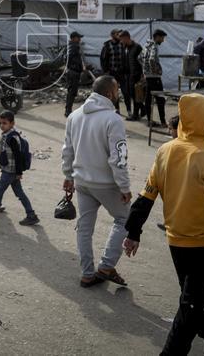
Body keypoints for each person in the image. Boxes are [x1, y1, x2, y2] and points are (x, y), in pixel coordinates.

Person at [123, 93, 204, 356]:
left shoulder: (166, 150)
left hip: (176, 243)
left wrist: (133, 232)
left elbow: (146, 196)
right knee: (190, 306)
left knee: (195, 302)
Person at [62, 75, 132, 288]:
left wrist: (67, 175)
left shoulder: (74, 116)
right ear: (110, 93)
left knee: (84, 228)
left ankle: (86, 274)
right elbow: (118, 159)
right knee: (125, 220)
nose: (118, 93)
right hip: (106, 184)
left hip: (82, 182)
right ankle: (106, 266)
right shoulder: (113, 119)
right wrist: (124, 187)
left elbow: (67, 150)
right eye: (117, 88)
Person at [0, 110, 39, 225]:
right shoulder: (6, 136)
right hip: (11, 171)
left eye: (4, 123)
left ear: (12, 123)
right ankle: (31, 215)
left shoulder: (12, 138)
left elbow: (18, 156)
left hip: (10, 172)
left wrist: (19, 173)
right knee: (20, 194)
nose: (1, 125)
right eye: (0, 123)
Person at [142, 29, 168, 127]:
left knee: (148, 99)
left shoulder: (146, 45)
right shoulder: (154, 46)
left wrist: (145, 70)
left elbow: (140, 58)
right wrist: (155, 70)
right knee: (160, 99)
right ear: (157, 37)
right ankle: (163, 122)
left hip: (148, 77)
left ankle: (149, 121)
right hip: (154, 78)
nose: (163, 40)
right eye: (162, 38)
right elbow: (152, 59)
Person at [117, 30, 143, 120]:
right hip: (129, 75)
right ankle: (143, 109)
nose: (121, 41)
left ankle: (136, 115)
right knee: (131, 94)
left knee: (136, 95)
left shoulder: (137, 47)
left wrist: (141, 75)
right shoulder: (126, 48)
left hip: (136, 75)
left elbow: (142, 62)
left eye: (122, 39)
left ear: (126, 37)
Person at [62, 31, 85, 117]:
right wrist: (73, 66)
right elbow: (68, 57)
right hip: (73, 72)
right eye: (78, 37)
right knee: (71, 92)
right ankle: (68, 111)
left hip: (73, 71)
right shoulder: (73, 46)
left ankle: (68, 110)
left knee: (72, 91)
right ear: (73, 38)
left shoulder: (73, 46)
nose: (80, 39)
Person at [100, 29, 123, 94]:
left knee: (125, 90)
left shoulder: (122, 44)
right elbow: (103, 59)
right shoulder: (107, 45)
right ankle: (115, 103)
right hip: (111, 72)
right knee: (112, 89)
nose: (119, 36)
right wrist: (105, 71)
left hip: (121, 72)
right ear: (112, 35)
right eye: (117, 34)